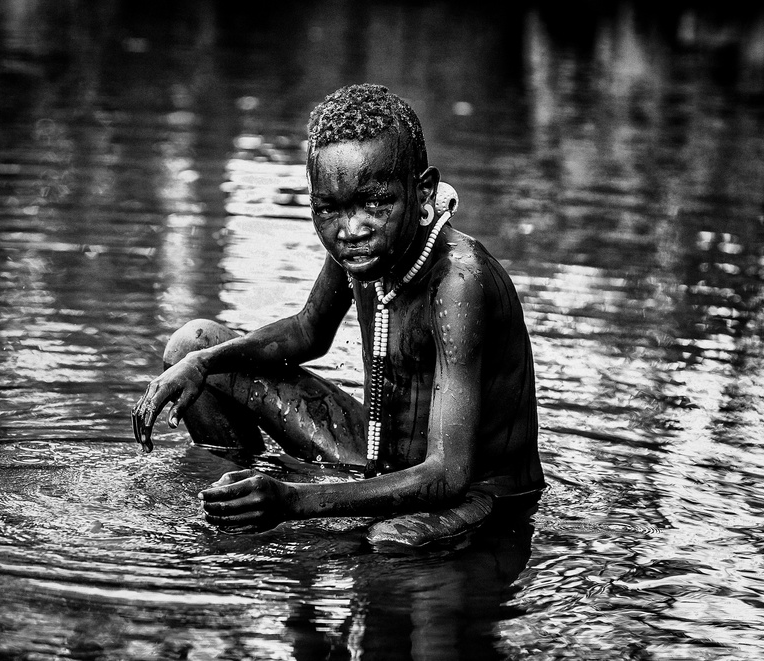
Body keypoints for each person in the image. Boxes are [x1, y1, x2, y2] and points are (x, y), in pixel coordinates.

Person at [131, 83, 544, 548]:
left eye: (376, 203)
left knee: (389, 542)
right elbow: (308, 331)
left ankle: (282, 506)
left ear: (423, 191)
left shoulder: (458, 281)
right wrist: (201, 365)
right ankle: (238, 499)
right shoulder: (362, 249)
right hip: (378, 456)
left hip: (476, 494)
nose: (351, 229)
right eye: (330, 208)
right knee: (193, 346)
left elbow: (448, 473)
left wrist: (296, 501)